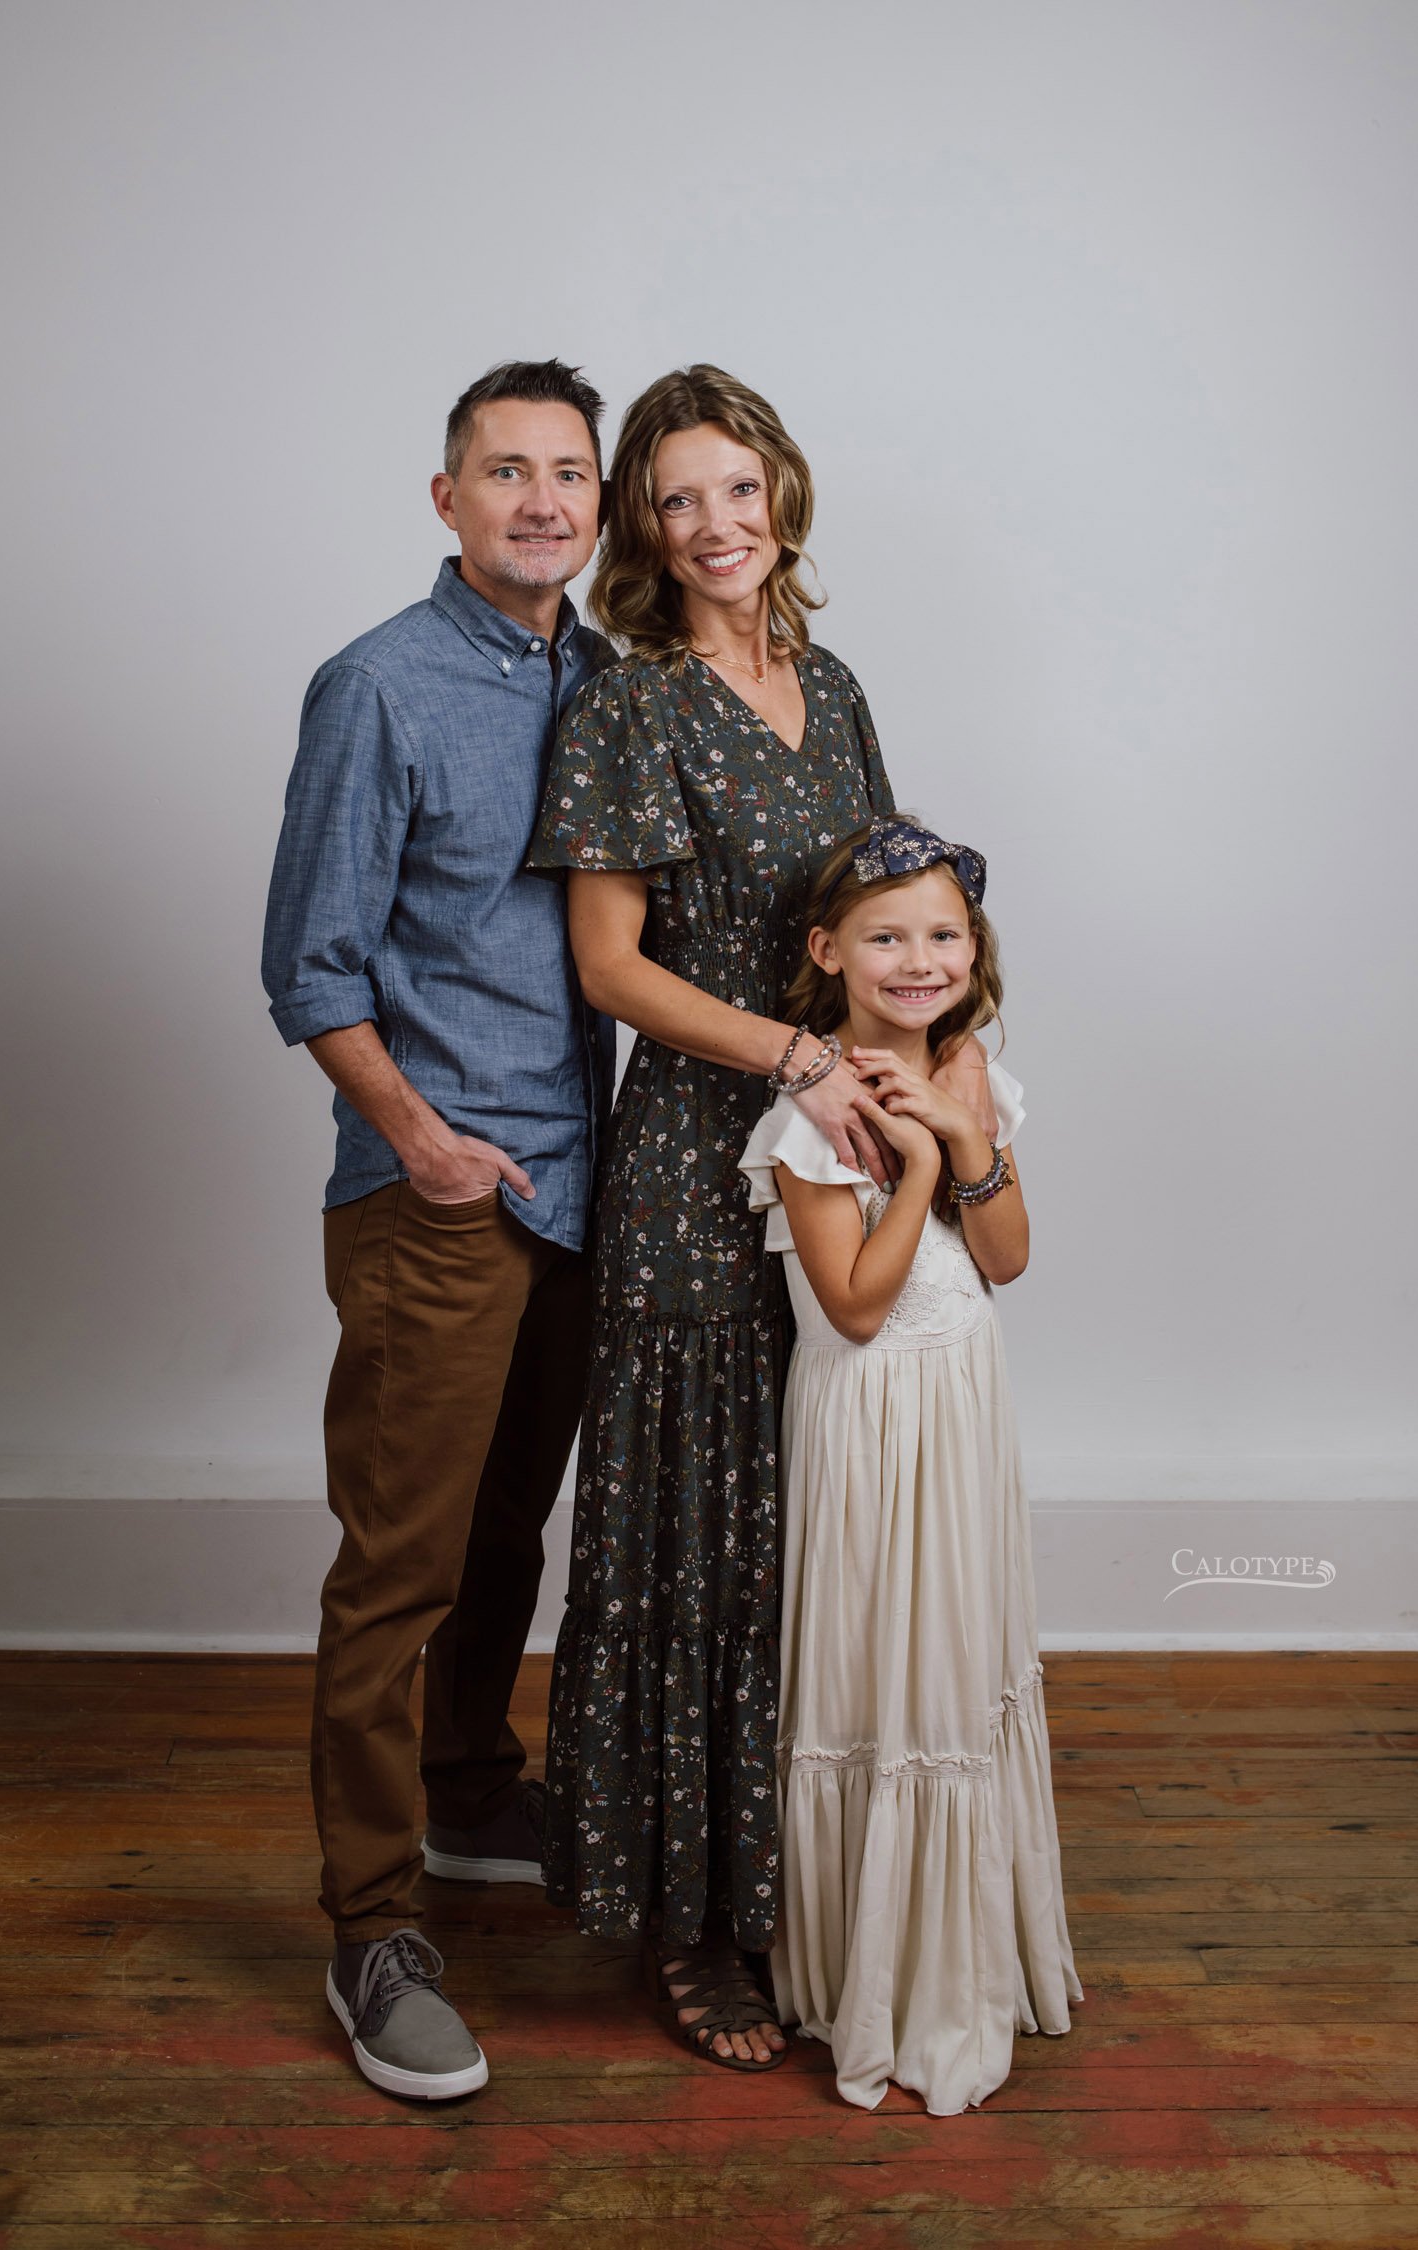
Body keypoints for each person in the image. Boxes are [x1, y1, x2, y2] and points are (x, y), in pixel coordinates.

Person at [527, 366, 995, 2070]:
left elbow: (884, 910)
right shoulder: (630, 702)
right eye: (678, 500)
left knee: (811, 1531)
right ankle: (690, 1926)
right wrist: (797, 1054)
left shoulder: (836, 679)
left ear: (783, 493)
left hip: (838, 1142)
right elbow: (609, 964)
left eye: (741, 489)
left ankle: (793, 1873)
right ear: (645, 530)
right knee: (692, 1546)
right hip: (688, 1171)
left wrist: (927, 1076)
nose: (717, 526)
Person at [261, 358, 615, 2101]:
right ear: (447, 500)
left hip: (585, 1192)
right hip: (436, 1204)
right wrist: (422, 1141)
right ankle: (373, 1921)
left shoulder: (615, 683)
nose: (540, 499)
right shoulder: (378, 687)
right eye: (504, 470)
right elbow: (309, 971)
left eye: (568, 472)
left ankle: (476, 1787)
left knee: (507, 1532)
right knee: (396, 1565)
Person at [737, 813, 1082, 2111]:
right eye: (886, 935)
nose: (919, 957)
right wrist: (920, 1155)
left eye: (943, 933)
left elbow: (1008, 1258)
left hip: (961, 1407)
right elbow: (858, 1308)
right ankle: (876, 1972)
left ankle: (974, 1944)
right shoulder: (810, 1120)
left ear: (972, 949)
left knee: (961, 1656)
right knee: (888, 1663)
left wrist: (964, 1131)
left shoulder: (971, 1069)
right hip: (872, 1420)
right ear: (830, 951)